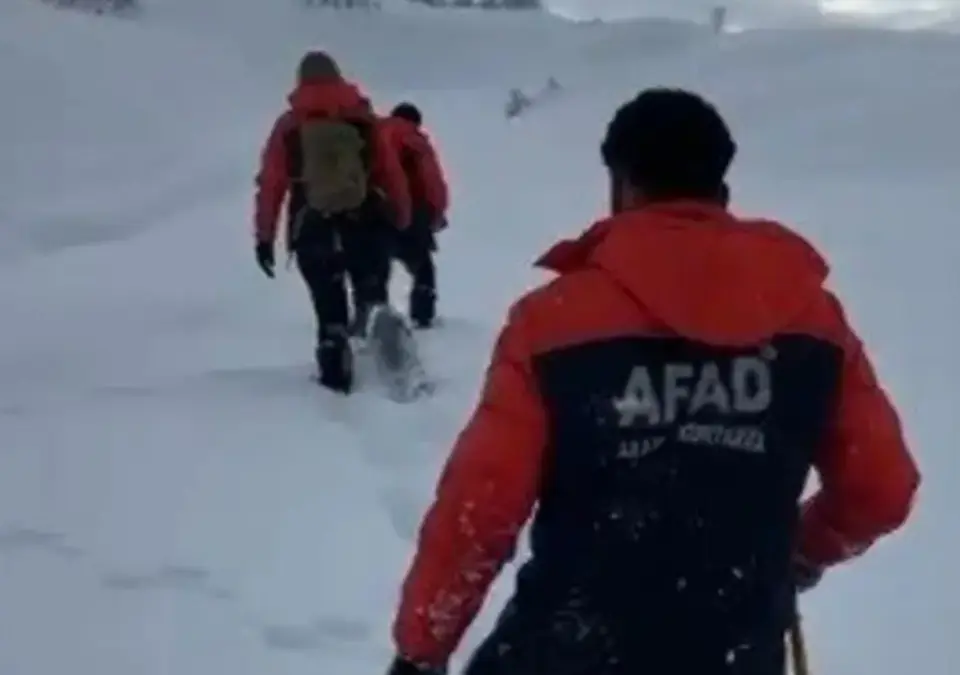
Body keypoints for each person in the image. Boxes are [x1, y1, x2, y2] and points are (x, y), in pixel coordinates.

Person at [385, 88, 921, 675]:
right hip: (735, 649)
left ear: (623, 185)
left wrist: (421, 649)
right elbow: (882, 487)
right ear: (722, 188)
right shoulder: (814, 319)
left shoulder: (552, 321)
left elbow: (480, 507)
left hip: (572, 647)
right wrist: (803, 550)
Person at [253, 51, 411, 393]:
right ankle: (392, 359)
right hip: (365, 218)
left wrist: (264, 237)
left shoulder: (289, 125)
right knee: (372, 292)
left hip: (312, 226)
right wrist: (401, 213)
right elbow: (388, 169)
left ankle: (335, 373)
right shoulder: (361, 116)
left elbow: (271, 183)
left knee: (329, 306)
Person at [382, 101, 450, 328]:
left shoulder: (372, 135)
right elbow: (432, 181)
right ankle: (422, 316)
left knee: (373, 270)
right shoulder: (414, 140)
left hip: (373, 211)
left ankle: (372, 315)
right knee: (423, 268)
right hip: (412, 212)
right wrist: (437, 213)